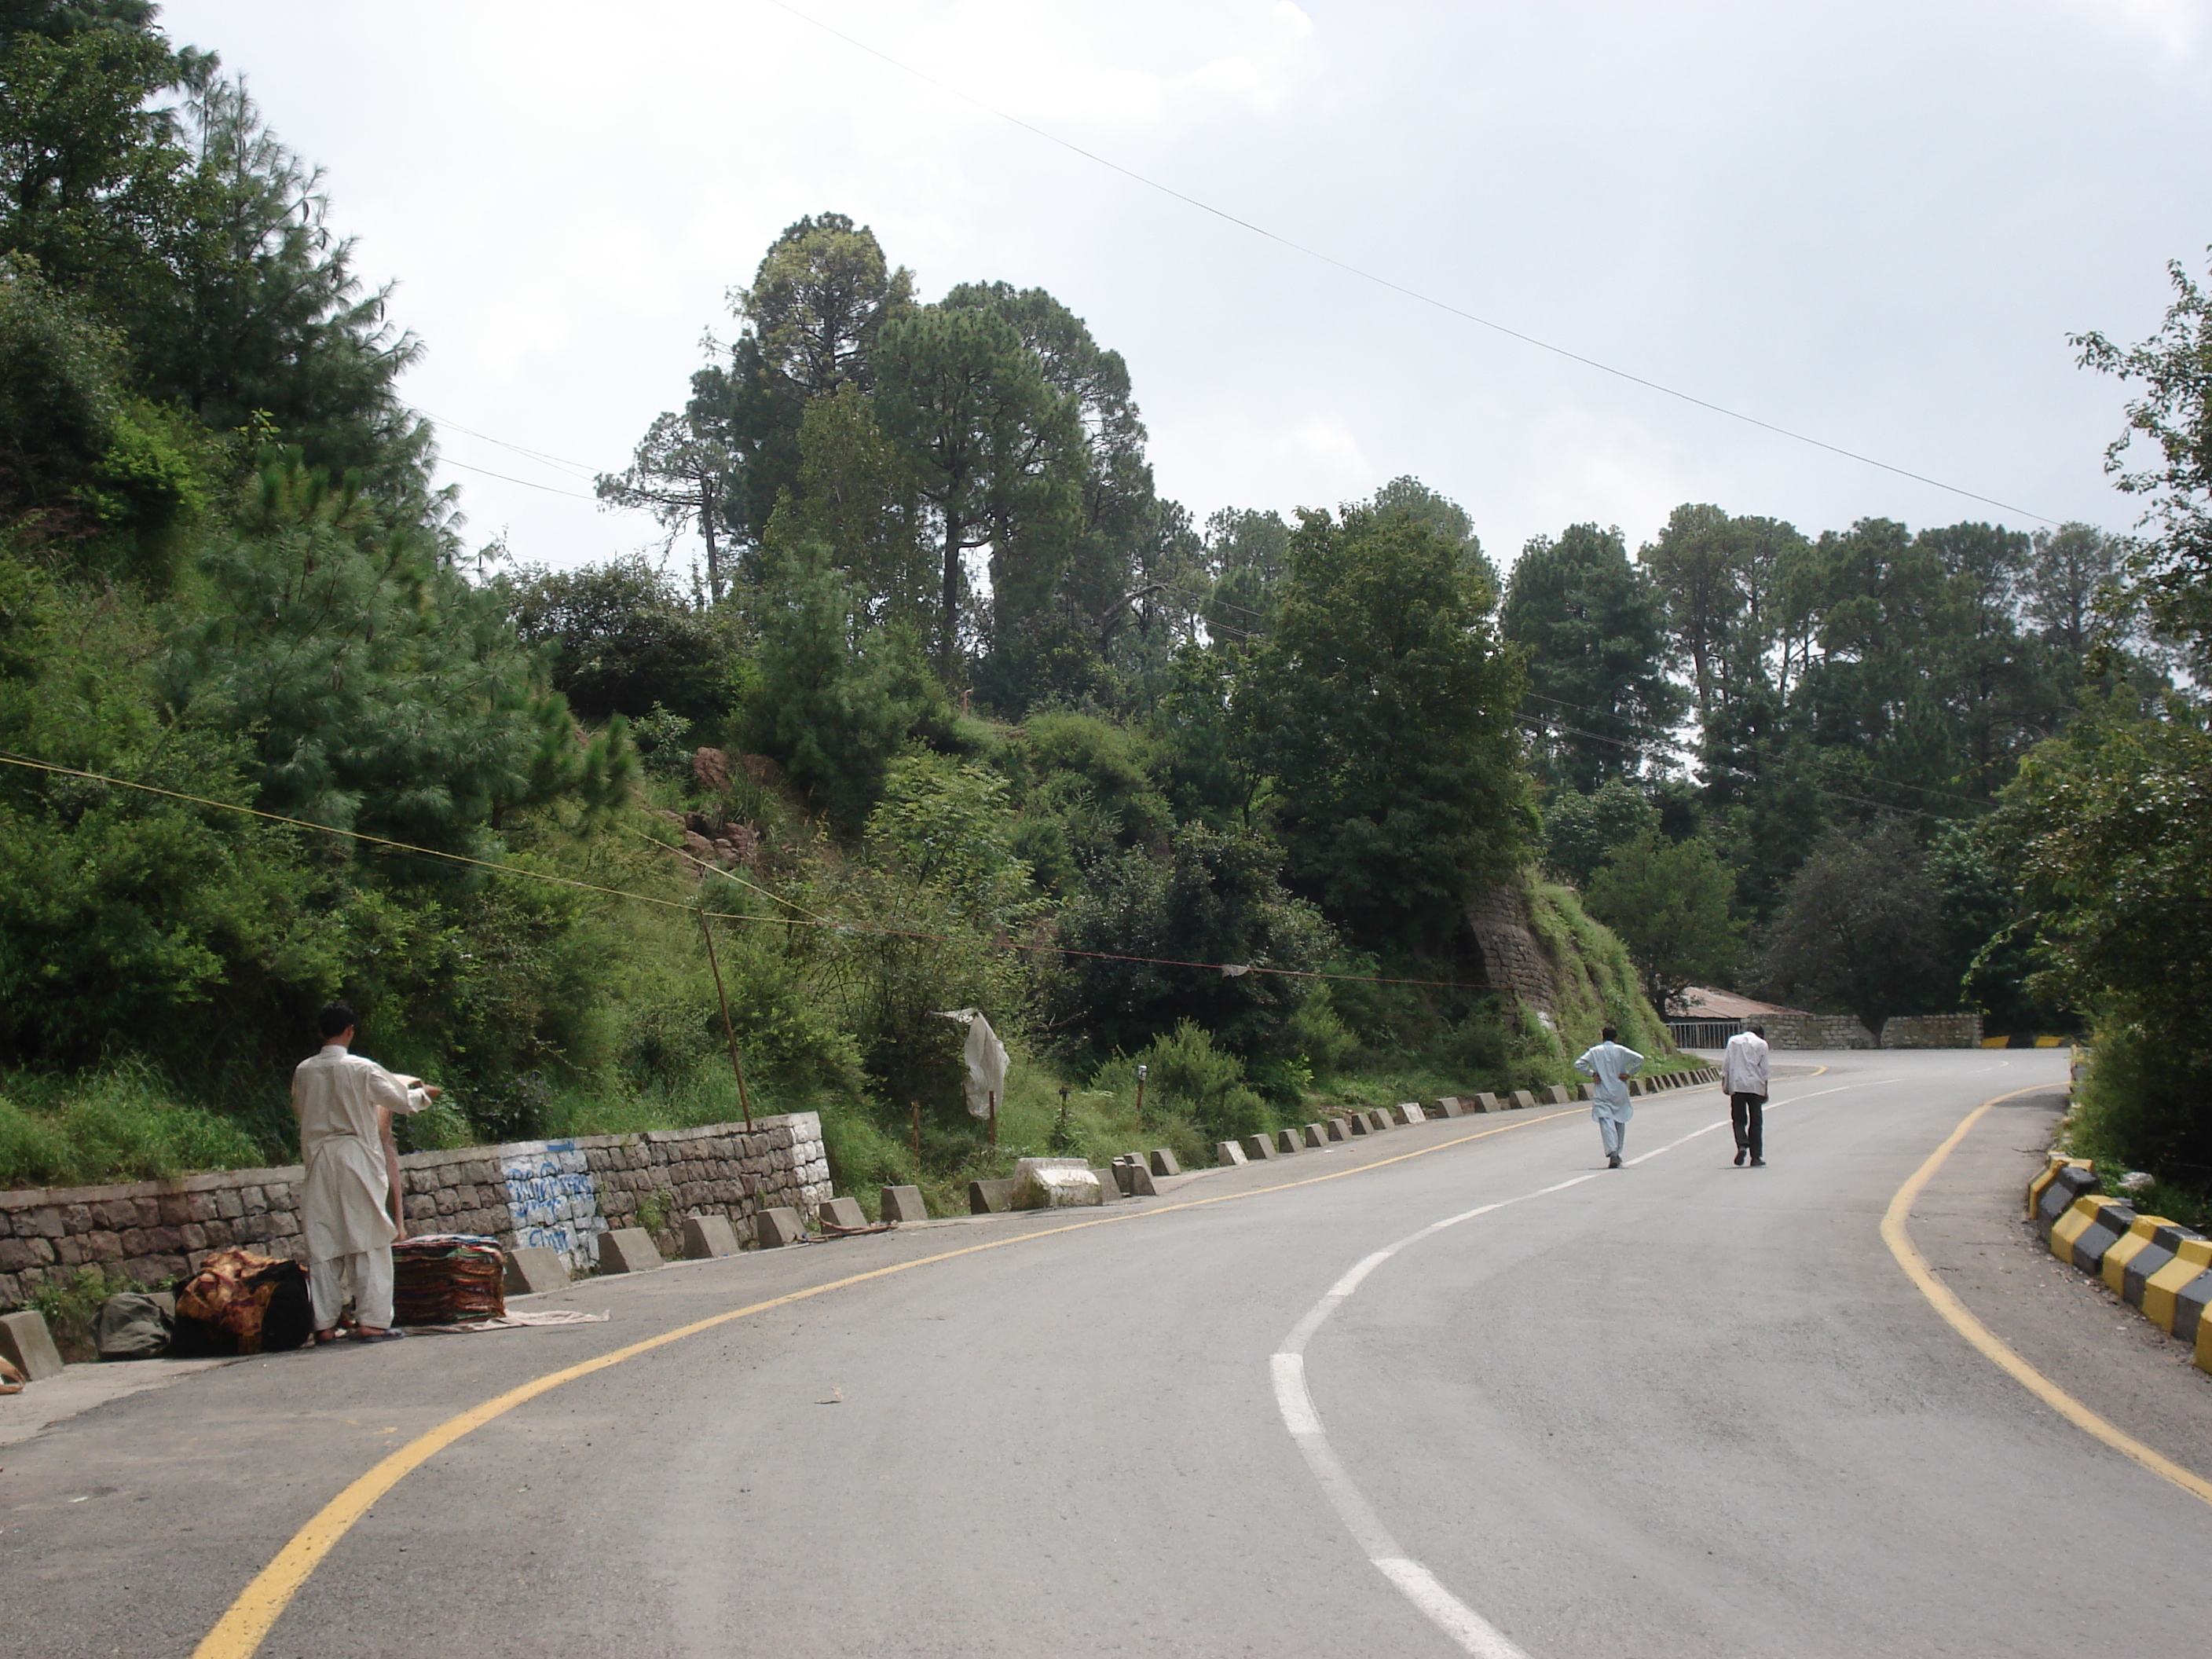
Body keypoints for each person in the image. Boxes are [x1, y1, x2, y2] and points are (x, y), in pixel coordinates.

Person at [292, 1002, 438, 1343]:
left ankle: (324, 1324)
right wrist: (425, 1095)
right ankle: (372, 1319)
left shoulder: (304, 1071)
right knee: (369, 1237)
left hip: (318, 1157)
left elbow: (300, 1109)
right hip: (355, 1154)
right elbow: (399, 1100)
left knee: (324, 1239)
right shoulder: (361, 1068)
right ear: (350, 1030)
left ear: (319, 1032)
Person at [1573, 1024, 1644, 1169]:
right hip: (1619, 1089)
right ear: (1616, 1038)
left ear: (1603, 1037)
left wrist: (1592, 1074)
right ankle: (1617, 1151)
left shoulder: (1595, 1051)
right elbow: (1640, 1059)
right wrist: (1629, 1073)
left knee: (1606, 1121)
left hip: (1602, 1090)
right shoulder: (1621, 1050)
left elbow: (1579, 1064)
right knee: (1620, 1120)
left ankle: (1612, 1152)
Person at [1724, 1023, 1771, 1167]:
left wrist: (1725, 1084)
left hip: (1737, 1085)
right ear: (1760, 1035)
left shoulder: (1733, 1041)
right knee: (1756, 1121)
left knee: (1738, 1119)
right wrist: (1765, 1090)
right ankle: (1756, 1157)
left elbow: (1727, 1064)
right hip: (1755, 1086)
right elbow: (1764, 1070)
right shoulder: (1762, 1044)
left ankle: (1742, 1145)